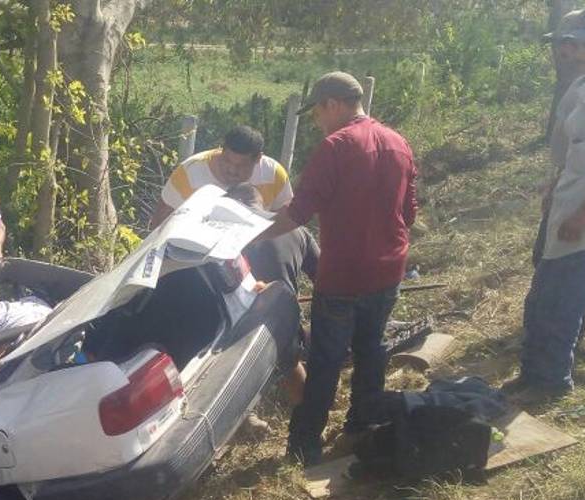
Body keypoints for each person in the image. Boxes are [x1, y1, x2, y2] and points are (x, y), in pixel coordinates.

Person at [259, 72, 418, 465]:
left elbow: (298, 211)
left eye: (316, 113)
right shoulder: (399, 142)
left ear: (332, 104)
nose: (317, 121)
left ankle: (305, 444)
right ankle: (361, 427)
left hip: (344, 274)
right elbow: (409, 213)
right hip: (387, 271)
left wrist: (253, 236)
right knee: (370, 351)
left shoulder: (336, 146)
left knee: (327, 359)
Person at [504, 9, 585, 403]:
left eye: (572, 42)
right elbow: (572, 154)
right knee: (543, 294)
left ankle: (552, 380)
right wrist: (555, 188)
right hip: (567, 205)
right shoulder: (582, 87)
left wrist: (584, 214)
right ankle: (534, 370)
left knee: (563, 298)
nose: (565, 50)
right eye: (564, 43)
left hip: (582, 218)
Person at [226, 183, 317, 423]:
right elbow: (324, 276)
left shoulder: (230, 236)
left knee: (285, 365)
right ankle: (308, 422)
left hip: (247, 326)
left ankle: (252, 417)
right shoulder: (297, 231)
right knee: (291, 363)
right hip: (289, 319)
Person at [150, 125, 293, 229]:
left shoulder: (274, 175)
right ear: (221, 150)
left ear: (258, 159)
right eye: (227, 161)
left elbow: (285, 220)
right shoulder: (189, 174)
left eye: (241, 166)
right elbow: (159, 223)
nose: (232, 170)